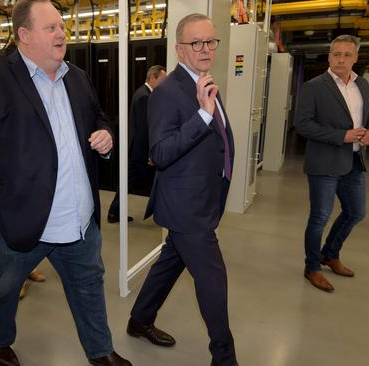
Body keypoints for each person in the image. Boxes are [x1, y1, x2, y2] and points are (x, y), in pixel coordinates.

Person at [0, 1, 131, 365]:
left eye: (62, 26)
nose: (61, 33)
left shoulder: (78, 77)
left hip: (79, 217)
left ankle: (101, 352)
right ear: (24, 35)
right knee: (4, 287)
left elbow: (100, 119)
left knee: (88, 286)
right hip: (19, 219)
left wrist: (105, 135)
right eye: (51, 27)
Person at [127, 13, 238, 366]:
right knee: (213, 279)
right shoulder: (167, 92)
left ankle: (139, 319)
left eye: (211, 41)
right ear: (179, 48)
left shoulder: (205, 81)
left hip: (205, 198)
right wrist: (202, 117)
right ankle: (224, 357)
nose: (206, 49)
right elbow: (160, 153)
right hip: (186, 205)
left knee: (170, 262)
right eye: (196, 43)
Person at [294, 35, 369, 293]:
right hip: (324, 162)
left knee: (356, 212)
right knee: (319, 217)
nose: (340, 59)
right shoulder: (314, 87)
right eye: (336, 54)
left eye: (346, 55)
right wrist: (342, 136)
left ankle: (330, 254)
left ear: (355, 58)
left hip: (354, 160)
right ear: (329, 56)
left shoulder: (361, 85)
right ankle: (312, 267)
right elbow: (303, 125)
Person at [107, 65, 167, 223]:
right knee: (153, 182)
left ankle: (114, 213)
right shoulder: (145, 96)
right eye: (162, 79)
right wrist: (149, 153)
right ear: (152, 78)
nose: (164, 82)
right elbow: (143, 129)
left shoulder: (144, 93)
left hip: (136, 151)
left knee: (129, 183)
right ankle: (163, 214)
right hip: (139, 151)